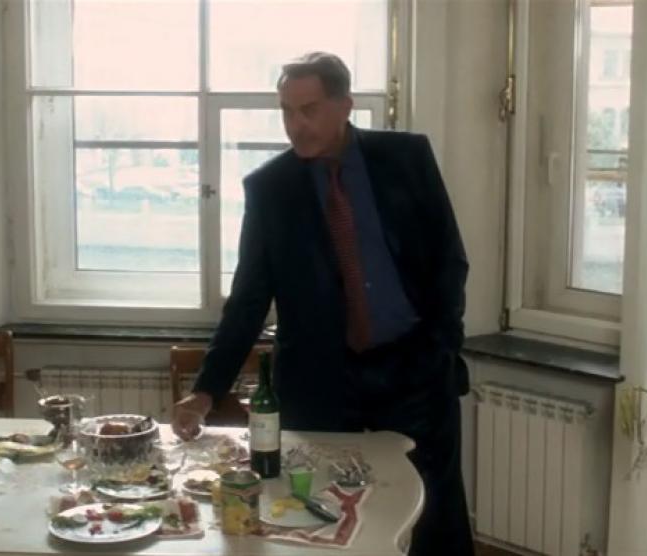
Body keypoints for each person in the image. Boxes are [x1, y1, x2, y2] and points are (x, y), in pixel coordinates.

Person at [172, 52, 473, 556]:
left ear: (344, 106)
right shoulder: (271, 188)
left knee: (433, 514)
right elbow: (248, 300)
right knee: (314, 515)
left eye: (308, 110)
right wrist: (205, 391)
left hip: (414, 370)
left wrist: (441, 345)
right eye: (287, 112)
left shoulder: (406, 157)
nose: (296, 125)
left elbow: (449, 259)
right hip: (321, 382)